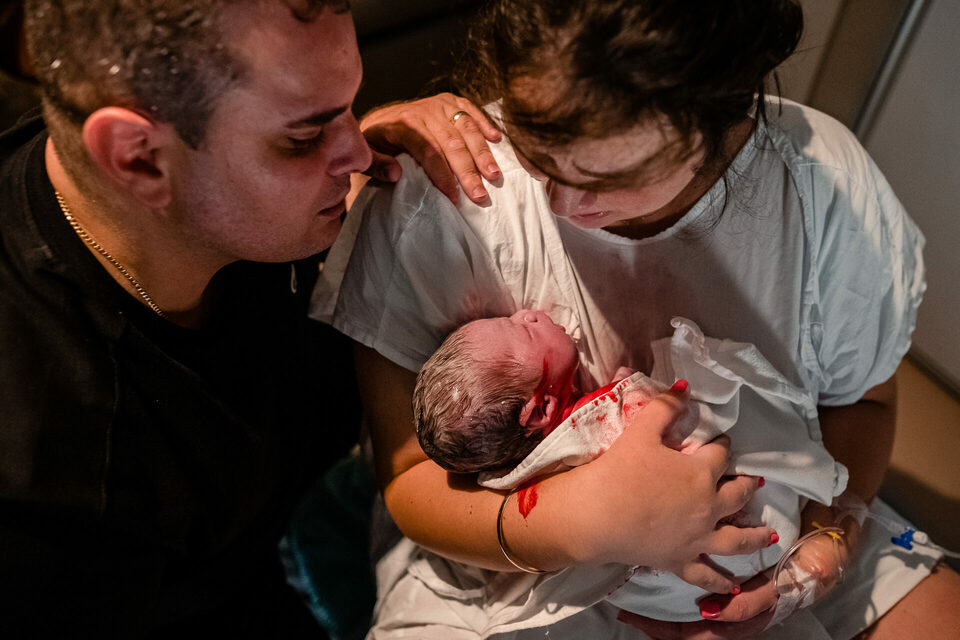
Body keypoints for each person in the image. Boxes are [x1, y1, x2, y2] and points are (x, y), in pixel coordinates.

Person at [316, 0, 960, 637]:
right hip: (505, 557)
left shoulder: (826, 198)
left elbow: (863, 406)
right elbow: (410, 480)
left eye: (606, 176)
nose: (561, 203)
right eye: (539, 153)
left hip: (774, 517)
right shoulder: (448, 188)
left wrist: (818, 554)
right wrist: (575, 522)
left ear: (718, 109)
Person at [1, 1, 375, 635]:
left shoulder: (231, 204)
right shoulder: (56, 483)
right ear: (139, 159)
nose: (359, 154)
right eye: (306, 137)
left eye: (352, 108)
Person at [376, 309, 846, 637]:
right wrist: (636, 398)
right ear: (540, 409)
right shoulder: (566, 446)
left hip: (727, 569)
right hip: (691, 563)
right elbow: (637, 434)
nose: (527, 314)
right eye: (517, 328)